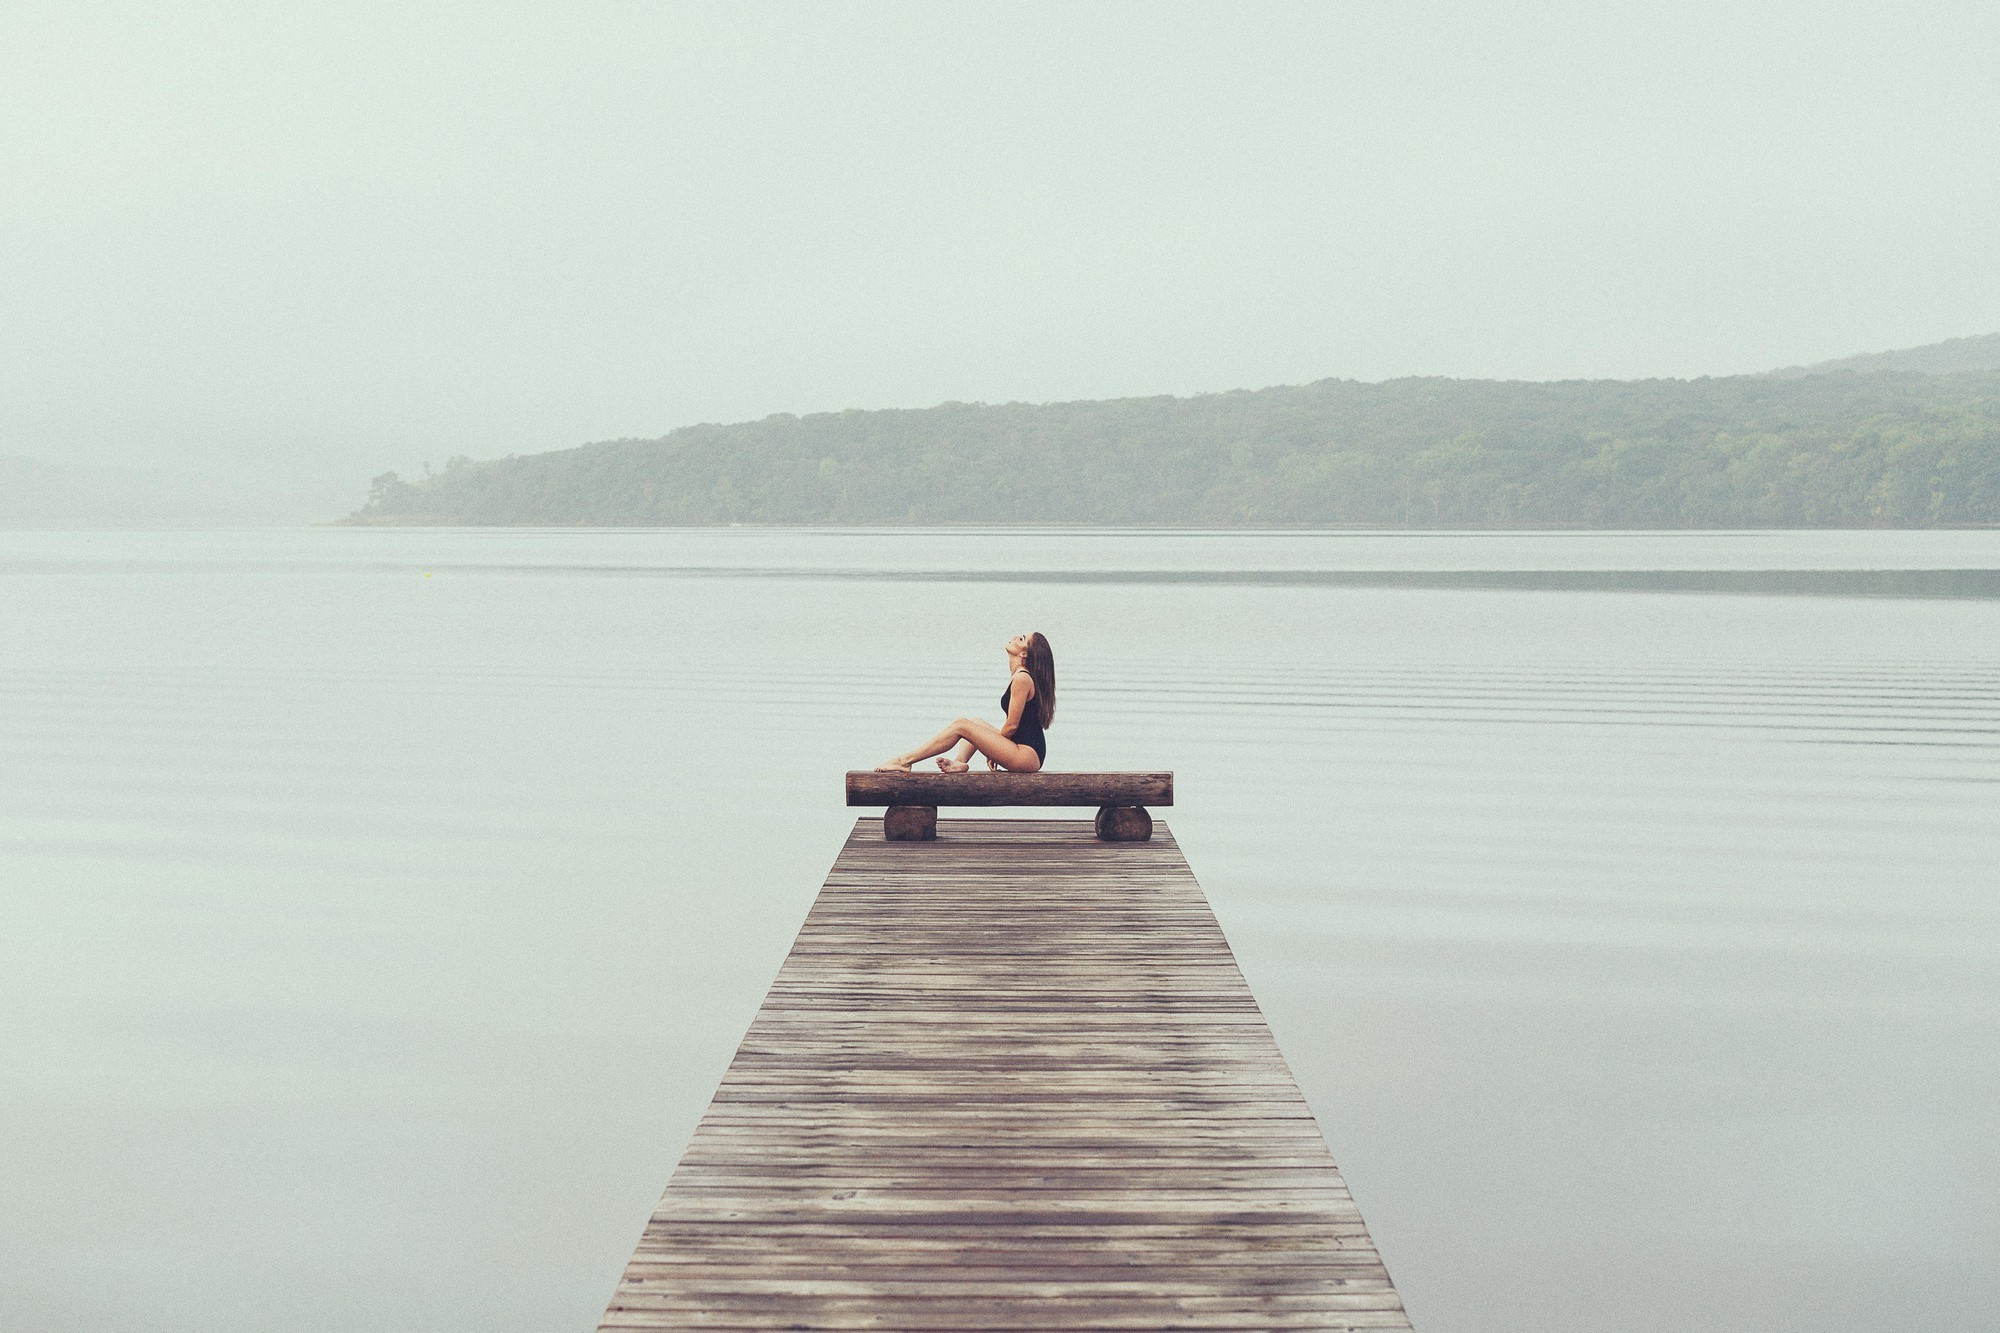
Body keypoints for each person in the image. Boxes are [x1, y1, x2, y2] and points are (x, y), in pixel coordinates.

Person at [875, 632, 1055, 773]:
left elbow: (1012, 725)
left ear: (1024, 653)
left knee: (961, 725)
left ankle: (904, 761)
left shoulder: (1022, 679)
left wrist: (996, 749)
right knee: (974, 723)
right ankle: (960, 762)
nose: (1016, 636)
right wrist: (997, 747)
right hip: (1023, 750)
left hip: (1026, 755)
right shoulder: (1020, 676)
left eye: (1022, 638)